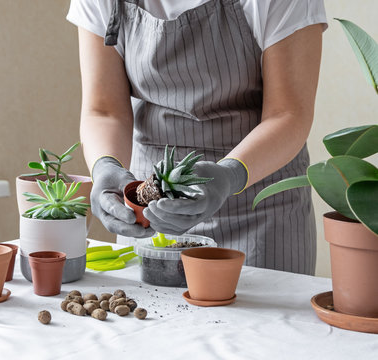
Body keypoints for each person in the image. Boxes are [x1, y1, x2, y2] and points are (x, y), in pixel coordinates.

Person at [67, 0, 327, 275]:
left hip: (259, 210)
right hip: (150, 216)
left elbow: (287, 113)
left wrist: (229, 176)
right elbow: (105, 110)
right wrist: (106, 166)